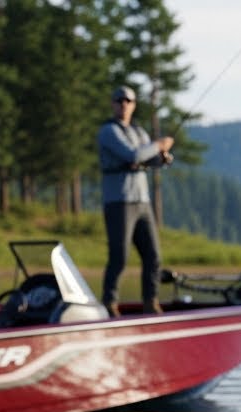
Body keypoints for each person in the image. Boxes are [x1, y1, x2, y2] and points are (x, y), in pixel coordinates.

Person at [97, 85, 175, 316]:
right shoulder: (108, 132)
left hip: (142, 202)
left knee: (153, 256)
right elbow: (132, 155)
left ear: (133, 105)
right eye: (119, 100)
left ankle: (151, 302)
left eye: (128, 101)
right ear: (113, 104)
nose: (123, 104)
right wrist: (158, 145)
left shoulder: (140, 133)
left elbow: (149, 159)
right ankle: (109, 304)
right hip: (119, 201)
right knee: (119, 256)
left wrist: (163, 157)